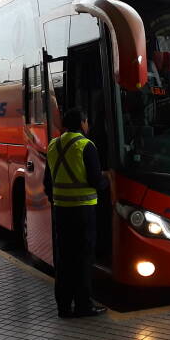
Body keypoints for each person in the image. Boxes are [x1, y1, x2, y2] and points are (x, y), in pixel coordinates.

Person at [44, 107, 109, 318]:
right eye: (87, 121)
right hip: (83, 212)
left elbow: (48, 182)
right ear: (82, 123)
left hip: (61, 212)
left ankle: (63, 306)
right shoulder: (86, 146)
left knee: (64, 259)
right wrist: (107, 181)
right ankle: (83, 305)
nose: (88, 124)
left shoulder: (53, 144)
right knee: (83, 259)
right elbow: (95, 180)